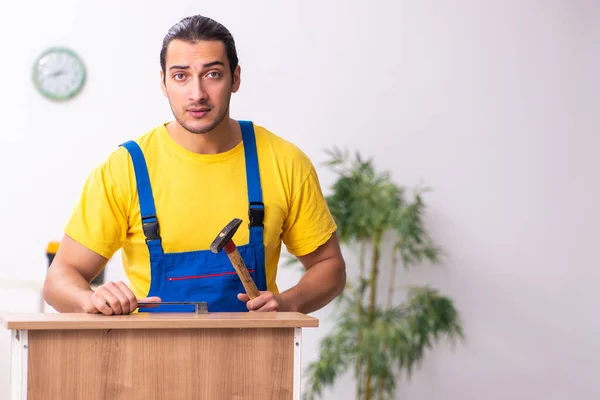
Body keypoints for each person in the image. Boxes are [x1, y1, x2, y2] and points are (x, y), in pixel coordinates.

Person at [42, 14, 346, 315]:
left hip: (256, 357)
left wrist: (290, 303)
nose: (197, 94)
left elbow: (329, 266)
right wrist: (89, 300)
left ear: (235, 78)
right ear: (163, 82)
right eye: (180, 76)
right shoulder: (126, 169)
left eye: (212, 74)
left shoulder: (284, 162)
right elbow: (59, 279)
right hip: (148, 357)